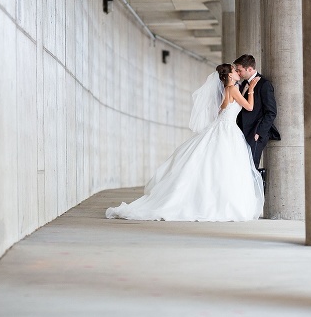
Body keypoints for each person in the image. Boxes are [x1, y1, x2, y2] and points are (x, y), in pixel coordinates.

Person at [105, 64, 264, 221]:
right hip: (228, 130)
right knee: (223, 167)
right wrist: (251, 88)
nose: (237, 73)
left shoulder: (227, 89)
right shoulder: (233, 89)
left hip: (221, 128)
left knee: (214, 166)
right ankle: (220, 203)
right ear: (229, 75)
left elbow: (222, 109)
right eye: (235, 71)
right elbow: (249, 107)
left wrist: (243, 90)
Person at [233, 54, 280, 173]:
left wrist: (259, 132)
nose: (238, 73)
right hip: (242, 132)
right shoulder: (243, 84)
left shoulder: (264, 84)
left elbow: (271, 112)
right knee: (241, 167)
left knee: (251, 167)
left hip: (255, 132)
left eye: (240, 70)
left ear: (249, 69)